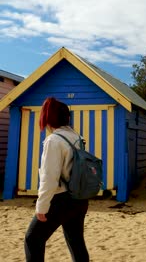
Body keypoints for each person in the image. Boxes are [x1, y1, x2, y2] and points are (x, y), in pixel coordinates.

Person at [24, 97, 89, 262]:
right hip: (79, 198)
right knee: (76, 241)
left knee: (33, 239)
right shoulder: (77, 137)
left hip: (60, 200)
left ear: (48, 117)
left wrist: (41, 207)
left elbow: (49, 178)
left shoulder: (54, 140)